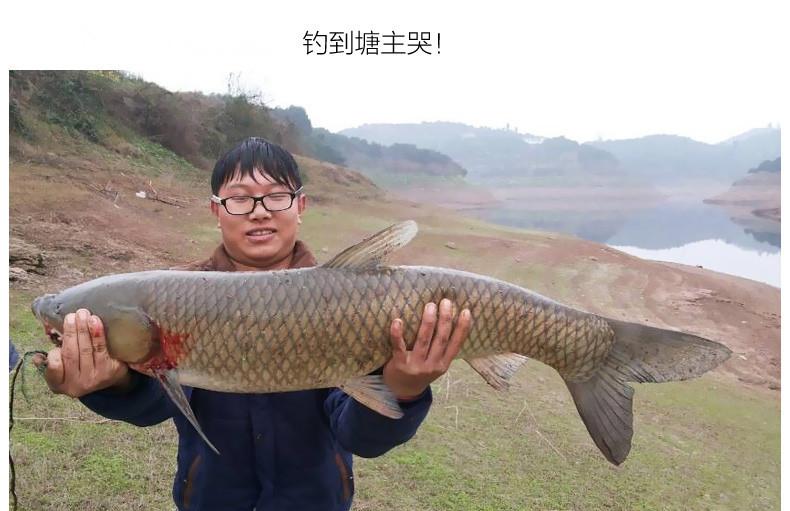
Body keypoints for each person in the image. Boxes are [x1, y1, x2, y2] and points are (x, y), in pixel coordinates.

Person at [33, 137, 473, 511]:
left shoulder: (350, 302)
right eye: (240, 198)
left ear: (300, 205)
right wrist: (115, 384)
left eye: (276, 196)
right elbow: (155, 406)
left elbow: (361, 436)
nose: (259, 211)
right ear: (216, 209)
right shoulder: (179, 298)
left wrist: (404, 387)